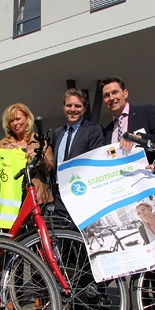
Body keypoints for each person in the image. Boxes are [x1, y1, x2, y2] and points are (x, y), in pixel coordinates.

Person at [52, 88, 104, 218]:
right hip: (59, 194)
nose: (73, 109)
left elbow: (95, 160)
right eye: (69, 105)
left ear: (84, 108)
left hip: (81, 192)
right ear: (64, 107)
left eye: (77, 106)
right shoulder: (58, 133)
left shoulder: (93, 130)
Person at [0, 103, 54, 206]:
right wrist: (4, 154)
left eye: (18, 119)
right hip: (14, 198)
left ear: (27, 119)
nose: (15, 123)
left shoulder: (40, 141)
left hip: (39, 198)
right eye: (11, 121)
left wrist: (41, 159)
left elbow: (51, 169)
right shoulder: (4, 144)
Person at [101, 76, 155, 163]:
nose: (111, 98)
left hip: (145, 174)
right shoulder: (106, 131)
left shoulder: (146, 112)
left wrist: (140, 138)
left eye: (115, 92)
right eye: (106, 95)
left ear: (125, 93)